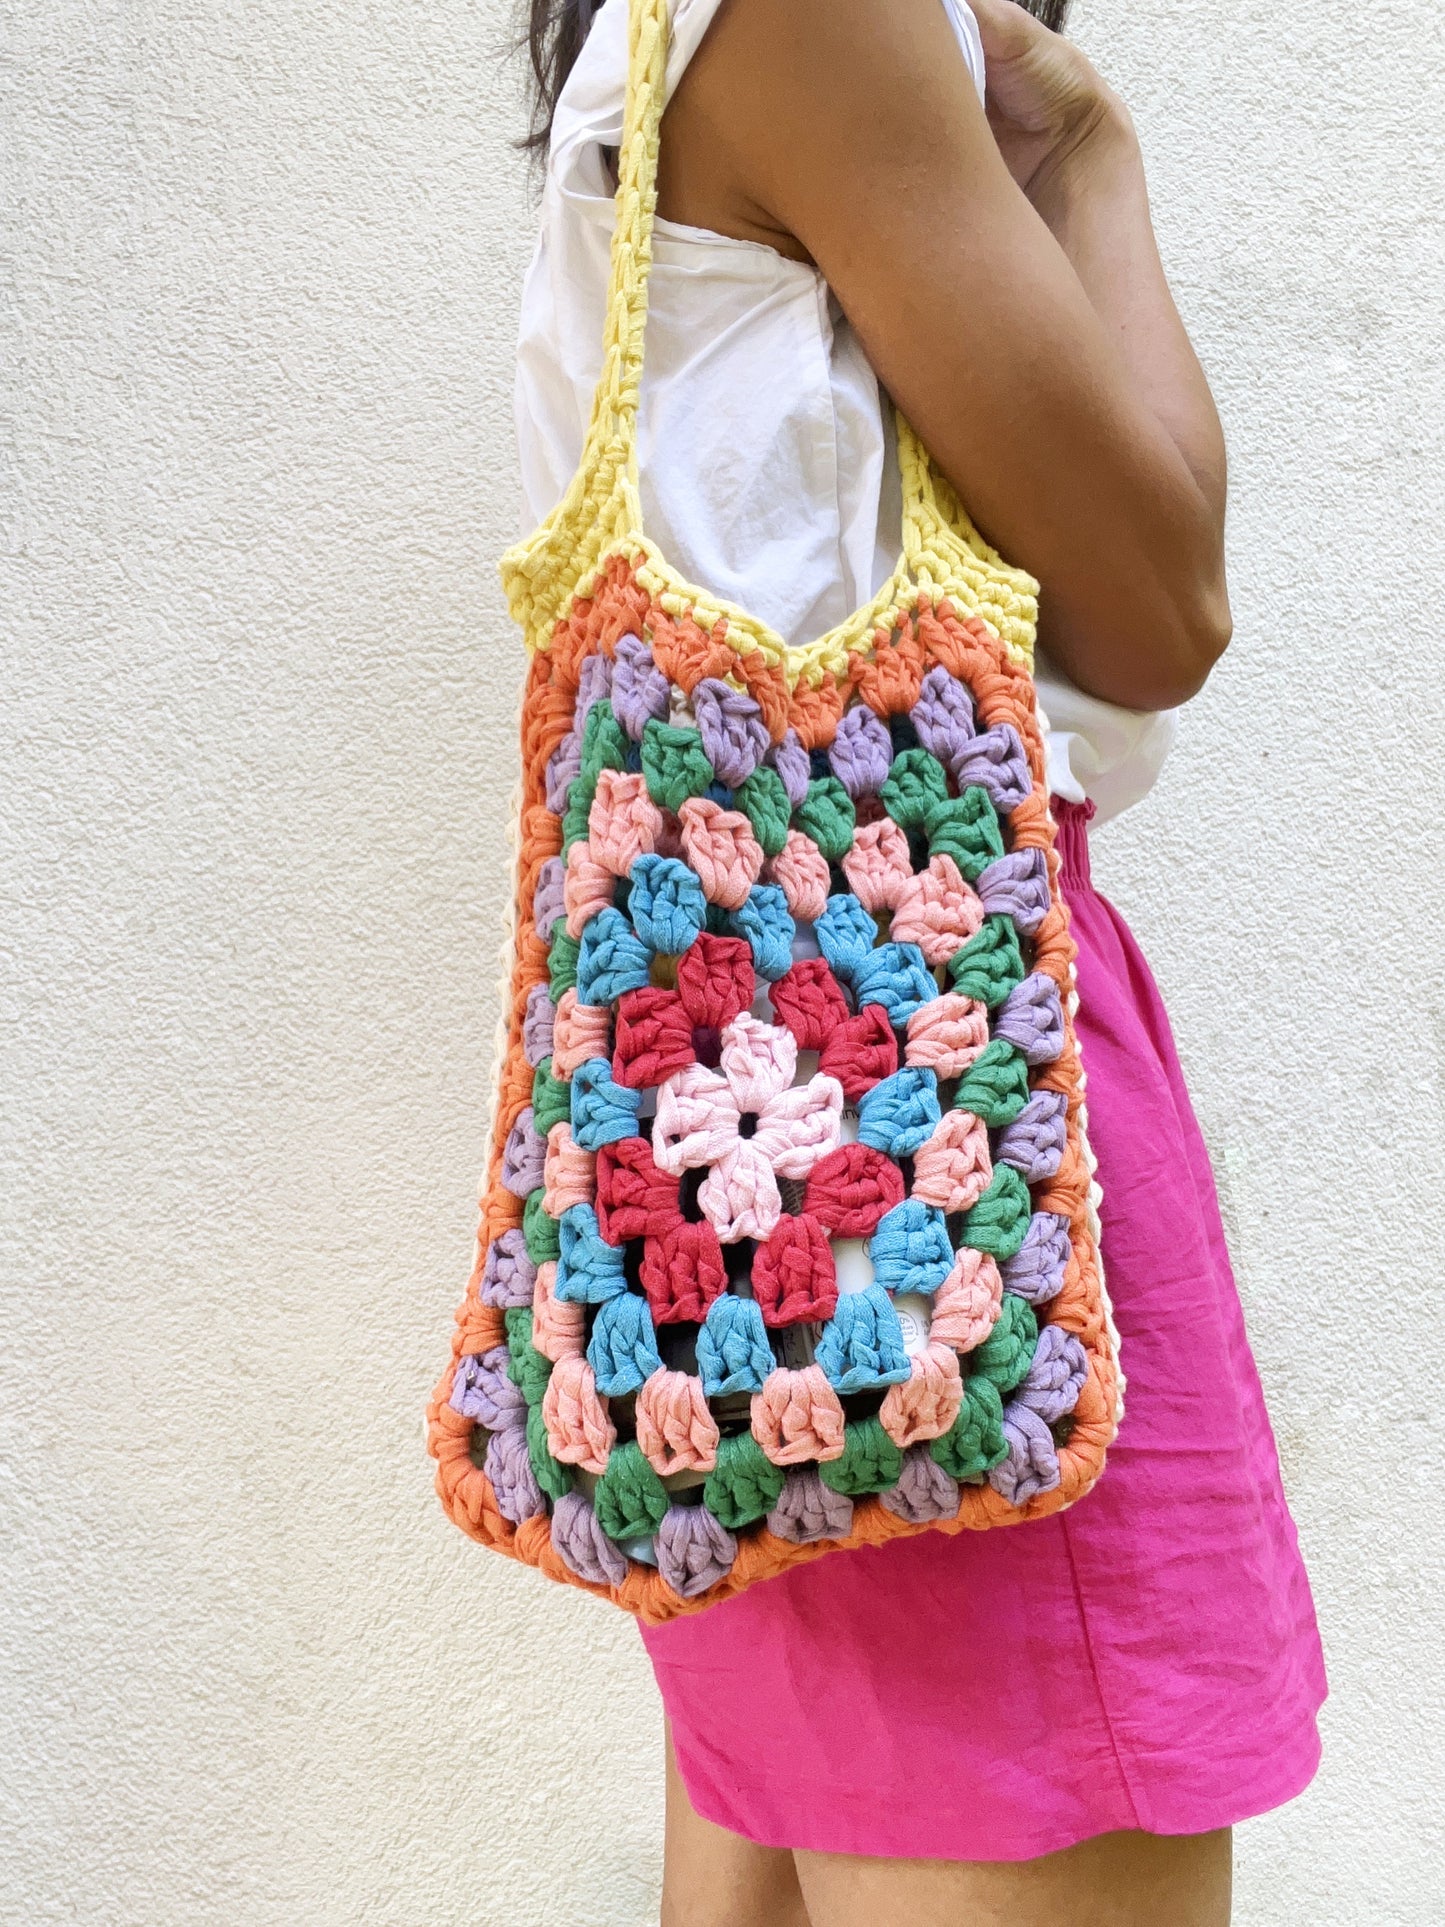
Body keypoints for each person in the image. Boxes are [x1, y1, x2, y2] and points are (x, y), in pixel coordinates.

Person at [512, 2, 1326, 1920]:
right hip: (945, 1178)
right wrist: (1096, 165)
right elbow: (1163, 603)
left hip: (735, 1227)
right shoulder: (825, 16)